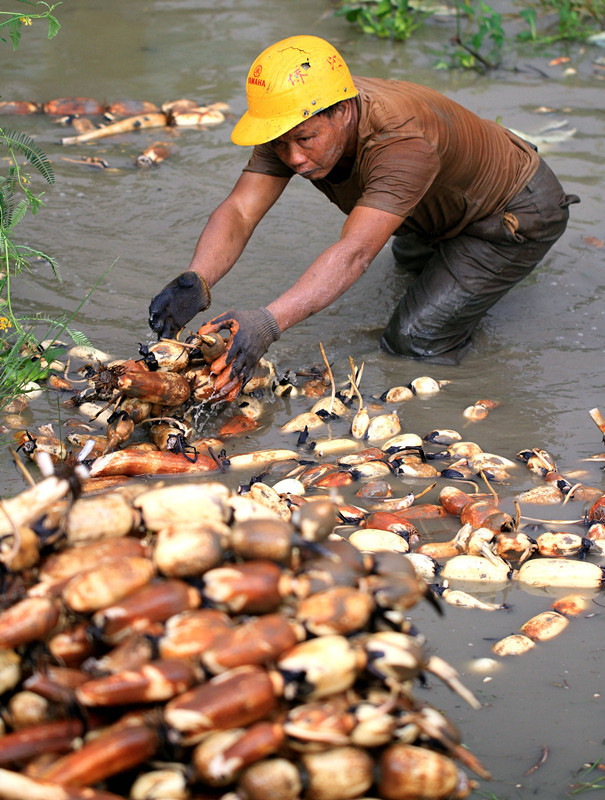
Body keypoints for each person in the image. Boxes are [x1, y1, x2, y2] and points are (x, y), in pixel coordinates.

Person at [148, 34, 579, 390]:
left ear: (345, 110)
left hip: (511, 212)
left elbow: (355, 252)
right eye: (281, 143)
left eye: (306, 140)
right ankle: (456, 276)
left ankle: (469, 385)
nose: (293, 157)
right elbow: (241, 209)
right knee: (410, 267)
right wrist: (198, 278)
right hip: (433, 205)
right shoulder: (291, 120)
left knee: (413, 340)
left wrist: (267, 322)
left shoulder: (401, 142)